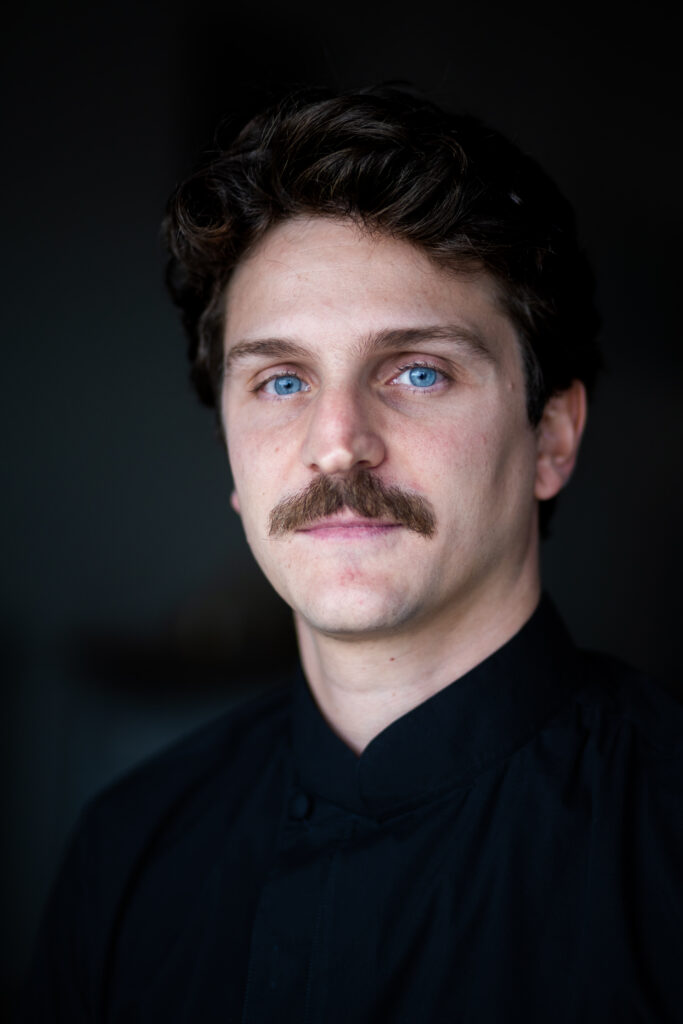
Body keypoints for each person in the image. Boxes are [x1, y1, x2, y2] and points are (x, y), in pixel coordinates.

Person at [22, 87, 682, 1023]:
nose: (337, 444)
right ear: (232, 460)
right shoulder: (126, 849)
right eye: (281, 381)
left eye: (417, 370)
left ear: (551, 437)